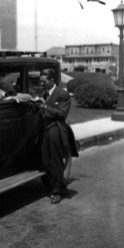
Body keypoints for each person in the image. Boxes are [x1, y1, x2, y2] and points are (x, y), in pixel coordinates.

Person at [36, 68, 79, 204]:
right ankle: (61, 186)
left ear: (52, 80)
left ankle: (57, 192)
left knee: (55, 161)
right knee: (46, 160)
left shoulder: (63, 94)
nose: (41, 84)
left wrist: (45, 108)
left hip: (56, 129)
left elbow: (61, 114)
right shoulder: (45, 95)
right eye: (40, 81)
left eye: (43, 81)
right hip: (45, 130)